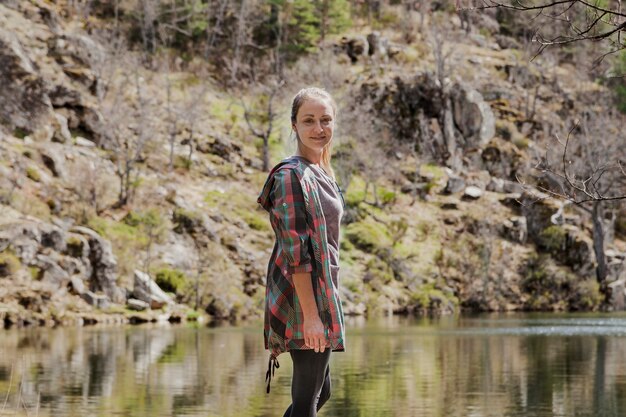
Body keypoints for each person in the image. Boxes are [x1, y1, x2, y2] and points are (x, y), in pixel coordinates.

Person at [257, 87, 346, 417]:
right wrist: (311, 316)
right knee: (308, 398)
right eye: (308, 120)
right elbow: (297, 253)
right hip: (303, 297)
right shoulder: (292, 175)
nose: (318, 128)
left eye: (325, 120)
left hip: (322, 293)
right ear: (294, 125)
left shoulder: (319, 171)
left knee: (321, 392)